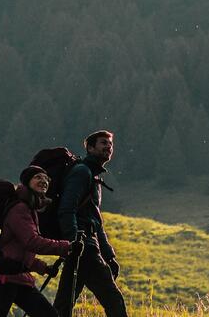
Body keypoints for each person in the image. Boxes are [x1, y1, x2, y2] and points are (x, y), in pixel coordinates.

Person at [0, 166, 78, 317]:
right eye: (38, 177)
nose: (43, 181)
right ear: (27, 182)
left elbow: (20, 252)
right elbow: (32, 242)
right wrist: (66, 247)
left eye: (46, 179)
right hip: (7, 278)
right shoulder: (20, 208)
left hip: (17, 278)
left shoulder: (29, 209)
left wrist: (44, 268)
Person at [54, 130, 126, 317]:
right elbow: (66, 209)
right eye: (103, 143)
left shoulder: (92, 176)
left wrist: (108, 255)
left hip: (81, 246)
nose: (108, 147)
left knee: (63, 305)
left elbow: (96, 221)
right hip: (83, 246)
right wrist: (74, 241)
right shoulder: (82, 172)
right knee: (114, 300)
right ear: (90, 147)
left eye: (110, 144)